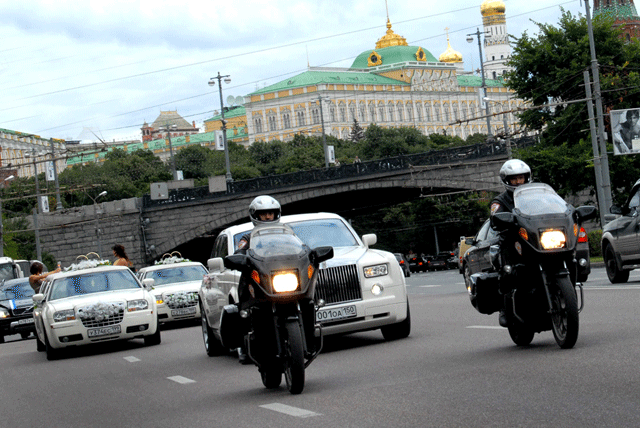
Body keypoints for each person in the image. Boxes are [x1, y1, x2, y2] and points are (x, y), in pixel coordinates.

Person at [235, 195, 282, 364]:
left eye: (271, 213)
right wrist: (239, 257)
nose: (268, 217)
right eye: (264, 214)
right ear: (256, 215)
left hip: (280, 277)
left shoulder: (285, 233)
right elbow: (239, 252)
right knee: (244, 298)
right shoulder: (248, 238)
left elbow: (300, 248)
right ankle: (243, 342)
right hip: (258, 278)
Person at [490, 159, 531, 327]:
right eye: (514, 179)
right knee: (507, 271)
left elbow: (554, 205)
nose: (518, 182)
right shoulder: (500, 201)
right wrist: (500, 219)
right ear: (507, 180)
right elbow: (495, 219)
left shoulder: (536, 194)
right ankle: (505, 308)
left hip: (533, 239)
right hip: (512, 241)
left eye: (521, 178)